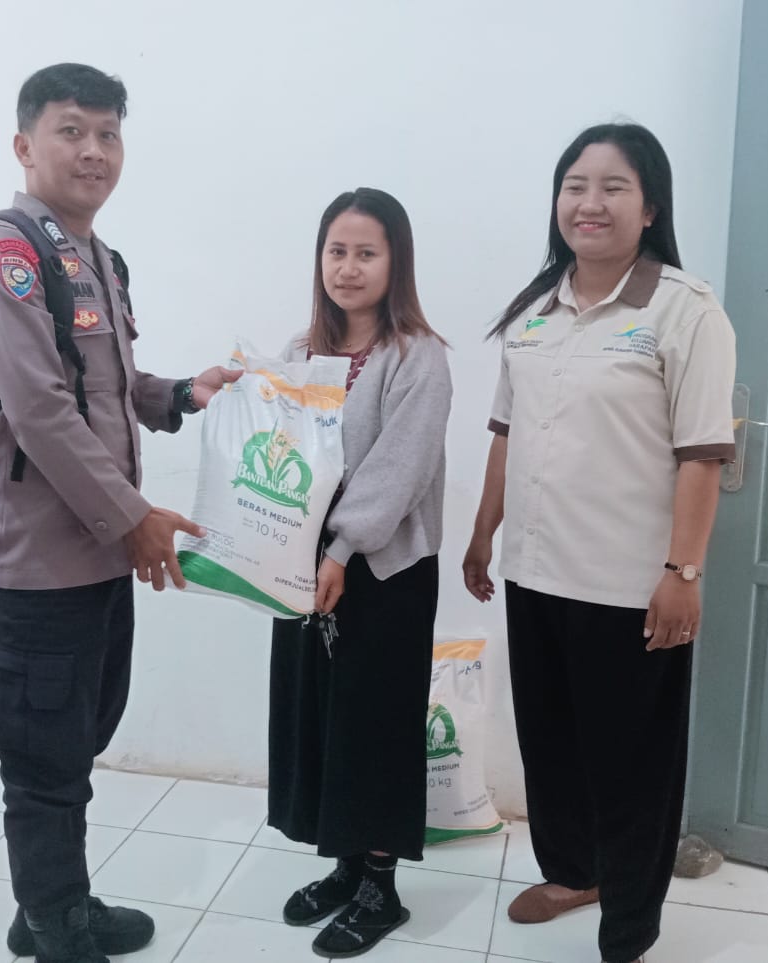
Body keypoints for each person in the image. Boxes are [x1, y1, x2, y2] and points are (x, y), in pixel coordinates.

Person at [0, 63, 239, 963]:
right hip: (30, 565)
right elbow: (38, 409)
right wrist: (135, 517)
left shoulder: (95, 259)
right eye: (71, 130)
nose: (94, 151)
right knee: (44, 763)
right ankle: (57, 930)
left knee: (74, 743)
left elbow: (102, 386)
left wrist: (178, 393)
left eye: (108, 134)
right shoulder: (4, 252)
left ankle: (47, 902)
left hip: (91, 558)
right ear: (24, 144)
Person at [462, 123, 736, 963]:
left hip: (628, 585)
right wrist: (481, 533)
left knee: (631, 762)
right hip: (535, 572)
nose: (590, 202)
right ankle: (573, 871)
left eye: (614, 187)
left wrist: (683, 572)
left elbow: (702, 455)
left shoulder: (684, 310)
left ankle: (629, 924)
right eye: (575, 185)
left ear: (650, 208)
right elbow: (506, 432)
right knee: (550, 743)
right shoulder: (533, 310)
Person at [268, 187, 452, 958]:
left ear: (395, 262)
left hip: (382, 568)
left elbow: (397, 471)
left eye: (366, 253)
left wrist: (340, 550)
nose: (348, 267)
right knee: (319, 714)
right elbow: (276, 449)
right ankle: (343, 864)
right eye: (336, 251)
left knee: (374, 721)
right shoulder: (299, 351)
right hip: (298, 564)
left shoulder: (417, 357)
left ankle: (381, 886)